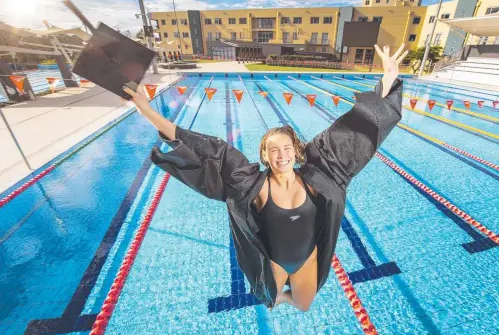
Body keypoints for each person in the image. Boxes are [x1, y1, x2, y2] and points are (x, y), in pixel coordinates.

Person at [123, 44, 407, 312]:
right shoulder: (251, 186)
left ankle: (287, 296)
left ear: (296, 152)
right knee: (271, 301)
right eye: (274, 150)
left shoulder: (321, 176)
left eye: (286, 149)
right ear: (265, 156)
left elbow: (353, 131)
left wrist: (388, 80)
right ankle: (278, 295)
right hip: (274, 264)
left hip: (308, 260)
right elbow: (205, 149)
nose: (282, 155)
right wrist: (147, 111)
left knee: (303, 304)